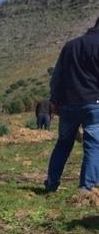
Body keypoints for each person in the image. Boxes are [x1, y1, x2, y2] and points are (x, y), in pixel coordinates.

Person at [45, 16, 99, 192]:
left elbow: (57, 77)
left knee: (63, 144)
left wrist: (55, 100)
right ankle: (86, 188)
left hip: (69, 104)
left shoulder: (71, 46)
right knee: (93, 145)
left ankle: (52, 183)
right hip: (94, 103)